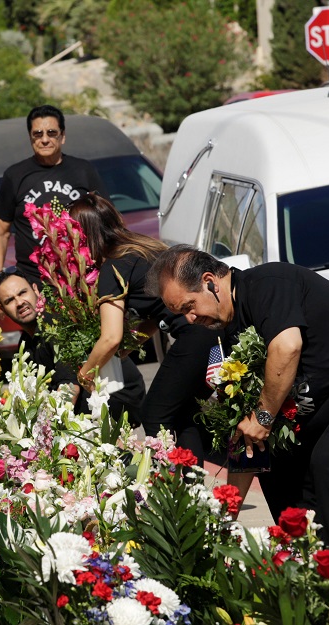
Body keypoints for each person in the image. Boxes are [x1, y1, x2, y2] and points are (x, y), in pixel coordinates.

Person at [150, 244, 329, 574]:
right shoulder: (228, 334)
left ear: (211, 281)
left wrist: (263, 416)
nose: (190, 318)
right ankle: (315, 571)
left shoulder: (269, 283)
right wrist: (225, 518)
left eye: (189, 306)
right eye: (180, 314)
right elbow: (246, 434)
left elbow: (287, 346)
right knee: (276, 465)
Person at [68, 193, 225, 460]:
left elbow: (110, 337)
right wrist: (134, 343)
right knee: (184, 412)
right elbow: (156, 315)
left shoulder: (113, 267)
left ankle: (180, 489)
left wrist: (84, 374)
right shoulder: (145, 248)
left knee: (155, 415)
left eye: (69, 233)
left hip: (195, 337)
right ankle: (193, 485)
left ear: (84, 235)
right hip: (215, 333)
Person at [0, 105, 107, 309]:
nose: (45, 139)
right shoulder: (15, 176)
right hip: (37, 283)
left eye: (51, 133)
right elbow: (0, 233)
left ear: (63, 136)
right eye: (38, 133)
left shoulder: (83, 170)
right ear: (30, 137)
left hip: (84, 278)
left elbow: (107, 222)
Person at [0, 266, 145, 420]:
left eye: (22, 293)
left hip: (119, 398)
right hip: (93, 404)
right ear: (3, 310)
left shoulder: (55, 323)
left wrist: (49, 428)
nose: (19, 302)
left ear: (36, 291)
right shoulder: (26, 342)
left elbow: (70, 389)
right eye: (10, 300)